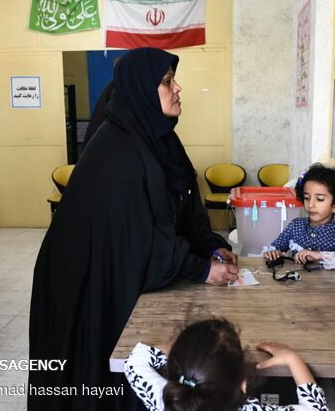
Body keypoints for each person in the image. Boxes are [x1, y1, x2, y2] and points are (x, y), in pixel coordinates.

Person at [28, 47, 239, 411]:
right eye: (167, 82)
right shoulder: (117, 153)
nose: (177, 89)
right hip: (85, 282)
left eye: (173, 80)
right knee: (99, 367)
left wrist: (210, 246)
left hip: (119, 268)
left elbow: (187, 206)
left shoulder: (161, 141)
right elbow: (139, 239)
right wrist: (201, 269)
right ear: (142, 90)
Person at [124, 318, 329, 411]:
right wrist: (292, 358)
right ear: (243, 385)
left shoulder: (163, 400)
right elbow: (316, 408)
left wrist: (181, 350)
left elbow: (135, 360)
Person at [263, 163, 335, 270]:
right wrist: (274, 252)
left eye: (320, 199)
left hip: (328, 286)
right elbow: (276, 246)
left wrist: (319, 255)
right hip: (296, 284)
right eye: (306, 198)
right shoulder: (296, 225)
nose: (310, 205)